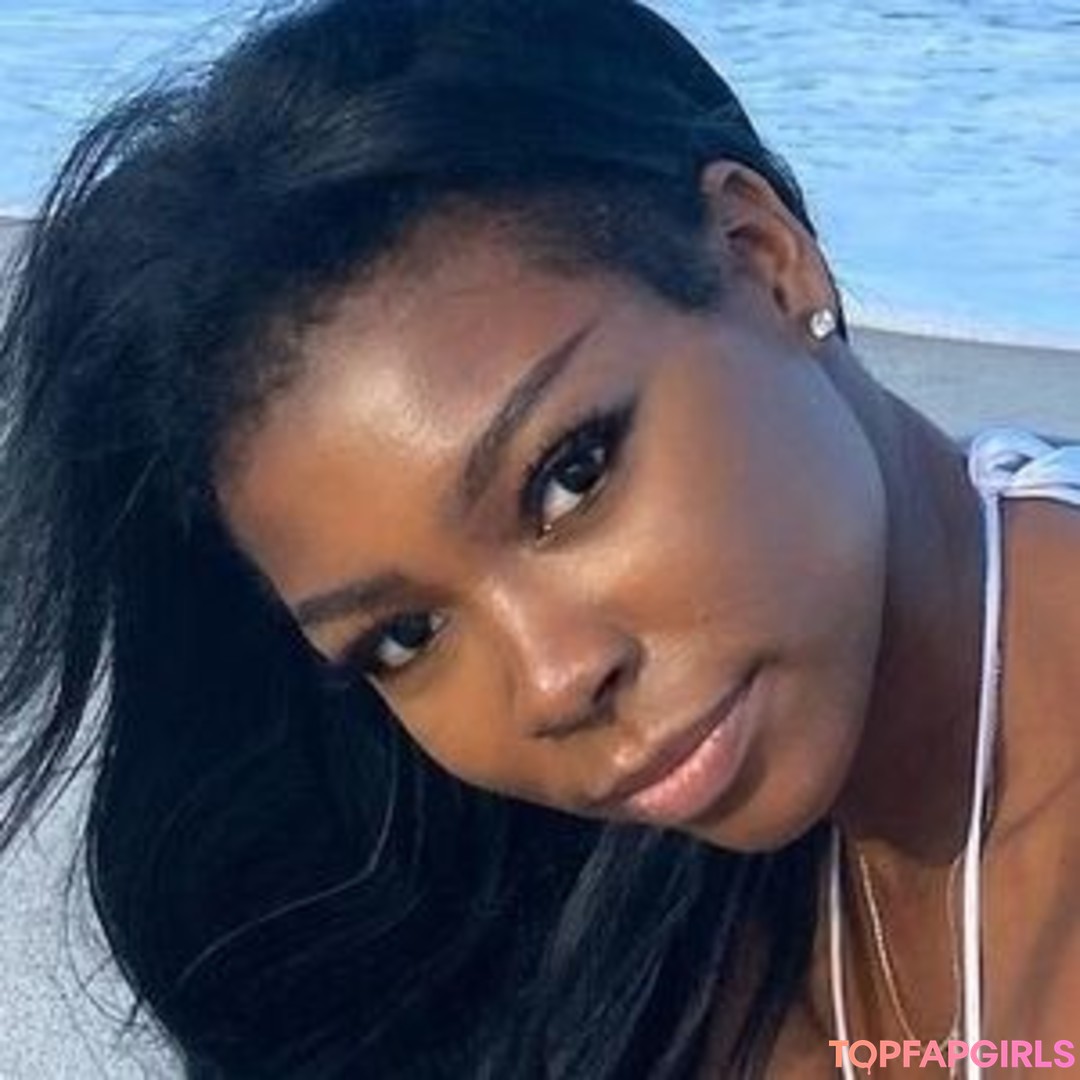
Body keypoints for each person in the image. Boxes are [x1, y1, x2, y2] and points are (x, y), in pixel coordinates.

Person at [0, 0, 1077, 1076]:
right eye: (405, 635)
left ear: (764, 260)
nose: (552, 682)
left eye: (571, 478)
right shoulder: (640, 910)